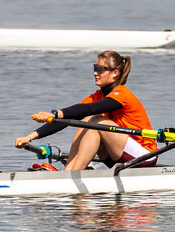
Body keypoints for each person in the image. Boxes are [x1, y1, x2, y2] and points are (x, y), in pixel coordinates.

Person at [14, 51, 157, 172]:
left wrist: (55, 113)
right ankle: (68, 172)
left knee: (93, 120)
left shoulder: (123, 95)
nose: (95, 73)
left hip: (144, 157)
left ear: (115, 73)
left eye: (101, 69)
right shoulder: (95, 97)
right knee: (83, 121)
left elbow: (89, 109)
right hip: (117, 156)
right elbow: (67, 119)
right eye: (95, 67)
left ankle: (72, 174)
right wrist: (30, 137)